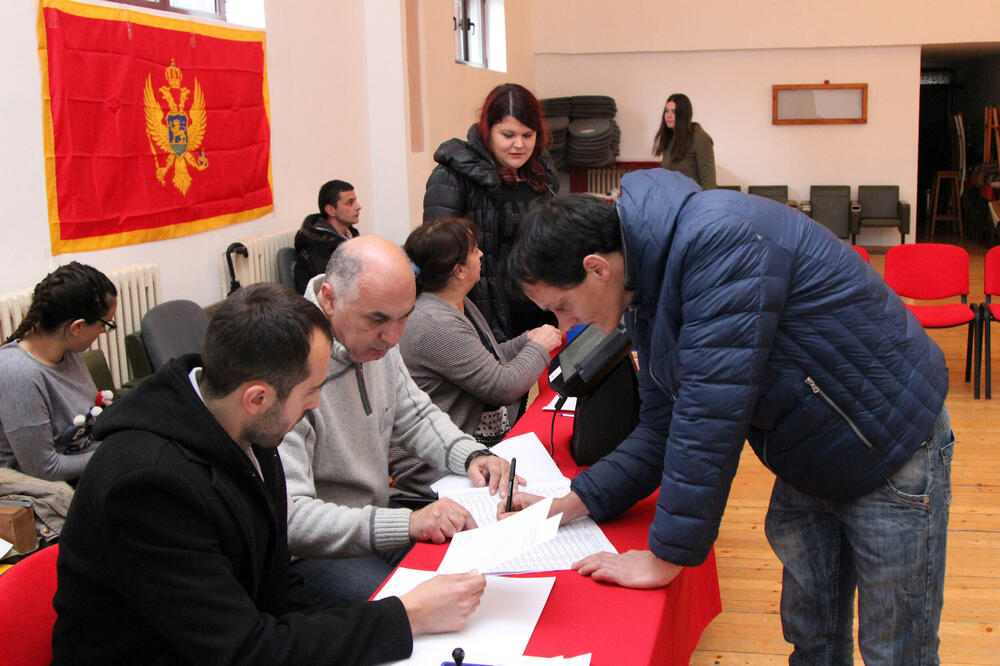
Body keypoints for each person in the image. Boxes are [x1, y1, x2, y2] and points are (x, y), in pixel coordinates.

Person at [504, 170, 952, 664]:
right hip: (811, 445)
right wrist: (568, 505)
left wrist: (667, 557)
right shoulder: (645, 285)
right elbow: (662, 429)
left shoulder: (716, 241)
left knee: (895, 649)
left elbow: (708, 417)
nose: (566, 326)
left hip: (887, 439)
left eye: (562, 307)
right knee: (813, 637)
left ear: (596, 268)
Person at [52, 283, 486, 665]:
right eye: (311, 391)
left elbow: (272, 588)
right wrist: (405, 616)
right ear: (257, 398)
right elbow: (243, 649)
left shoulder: (242, 428)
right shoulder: (148, 486)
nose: (316, 405)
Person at [281, 236, 517, 605]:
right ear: (329, 299)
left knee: (480, 575)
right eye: (377, 319)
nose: (394, 337)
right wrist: (407, 524)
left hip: (374, 518)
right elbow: (293, 519)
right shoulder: (289, 365)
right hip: (314, 554)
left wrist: (473, 456)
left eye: (404, 316)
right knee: (428, 608)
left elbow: (414, 413)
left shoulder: (375, 342)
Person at [400, 217, 561, 446]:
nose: (482, 254)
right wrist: (538, 347)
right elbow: (503, 388)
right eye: (475, 250)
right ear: (459, 271)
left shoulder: (455, 301)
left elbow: (485, 361)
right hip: (443, 461)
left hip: (468, 444)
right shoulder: (436, 322)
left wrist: (526, 340)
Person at [423, 82, 559, 342]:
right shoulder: (453, 176)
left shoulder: (542, 172)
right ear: (488, 131)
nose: (519, 144)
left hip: (538, 306)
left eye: (528, 135)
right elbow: (438, 253)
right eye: (508, 135)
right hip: (485, 312)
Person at [0, 262, 117, 483]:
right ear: (77, 327)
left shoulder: (67, 350)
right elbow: (44, 470)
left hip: (81, 470)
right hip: (46, 492)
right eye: (104, 325)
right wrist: (116, 453)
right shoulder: (18, 374)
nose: (103, 331)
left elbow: (80, 425)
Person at [293, 179, 362, 293]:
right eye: (350, 202)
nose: (358, 207)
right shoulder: (316, 247)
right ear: (331, 210)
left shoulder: (351, 236)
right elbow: (338, 290)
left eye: (356, 201)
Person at [652, 93, 716, 190]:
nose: (668, 116)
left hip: (694, 201)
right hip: (673, 200)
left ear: (683, 114)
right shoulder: (670, 138)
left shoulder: (700, 138)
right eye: (666, 111)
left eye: (674, 112)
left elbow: (709, 182)